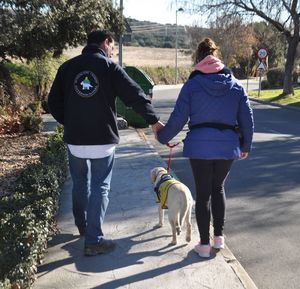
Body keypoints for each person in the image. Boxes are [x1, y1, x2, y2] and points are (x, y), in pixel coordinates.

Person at [48, 29, 163, 256]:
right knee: (101, 186)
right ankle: (93, 240)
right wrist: (154, 121)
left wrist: (69, 122)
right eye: (112, 45)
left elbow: (53, 102)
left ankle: (82, 226)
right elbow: (134, 95)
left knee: (81, 183)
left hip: (75, 140)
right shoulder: (109, 68)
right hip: (103, 140)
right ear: (105, 42)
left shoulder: (67, 67)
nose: (112, 49)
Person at [156, 38, 254, 258]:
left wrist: (163, 137)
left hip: (199, 147)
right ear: (217, 56)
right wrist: (245, 145)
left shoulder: (191, 86)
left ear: (198, 59)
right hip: (227, 147)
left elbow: (178, 118)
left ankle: (203, 245)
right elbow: (247, 118)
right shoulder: (236, 85)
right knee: (218, 188)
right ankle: (218, 238)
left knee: (202, 195)